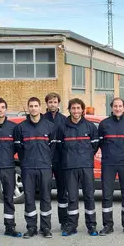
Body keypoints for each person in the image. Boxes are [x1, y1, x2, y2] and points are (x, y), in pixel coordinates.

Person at [14, 97, 56, 239]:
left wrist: (46, 160)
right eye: (30, 106)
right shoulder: (21, 128)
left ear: (40, 107)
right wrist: (26, 161)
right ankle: (31, 227)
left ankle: (45, 227)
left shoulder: (49, 126)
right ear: (28, 107)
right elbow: (19, 148)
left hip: (44, 167)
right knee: (29, 198)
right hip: (28, 168)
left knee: (45, 198)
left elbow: (53, 147)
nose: (33, 108)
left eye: (36, 105)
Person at [57, 98, 99, 236]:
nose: (76, 111)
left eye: (78, 108)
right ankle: (71, 226)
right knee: (72, 198)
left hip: (86, 166)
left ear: (82, 110)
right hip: (69, 167)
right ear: (69, 110)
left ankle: (91, 226)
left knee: (89, 196)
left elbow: (94, 146)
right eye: (73, 108)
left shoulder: (90, 127)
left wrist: (85, 157)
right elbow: (59, 147)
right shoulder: (62, 127)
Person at [98, 97, 124, 235]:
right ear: (111, 107)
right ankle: (108, 225)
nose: (118, 108)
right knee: (107, 195)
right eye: (115, 106)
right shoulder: (104, 124)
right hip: (108, 163)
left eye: (120, 106)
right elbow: (100, 143)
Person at [0, 98, 22, 238]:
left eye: (2, 107)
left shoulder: (13, 127)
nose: (0, 109)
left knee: (9, 198)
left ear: (6, 109)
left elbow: (17, 146)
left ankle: (10, 226)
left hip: (9, 167)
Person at [44, 92, 68, 229]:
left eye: (55, 102)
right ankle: (46, 224)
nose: (52, 104)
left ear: (58, 103)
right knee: (46, 192)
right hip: (46, 161)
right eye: (50, 102)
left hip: (61, 161)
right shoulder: (41, 119)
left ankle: (64, 222)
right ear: (46, 103)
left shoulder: (64, 119)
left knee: (62, 192)